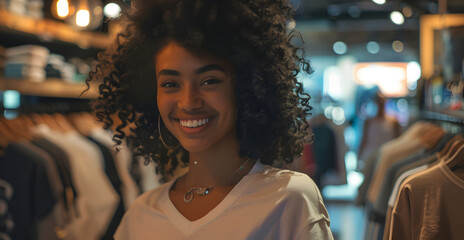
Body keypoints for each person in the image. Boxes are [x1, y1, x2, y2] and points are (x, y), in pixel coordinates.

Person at [88, 0, 333, 239]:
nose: (188, 101)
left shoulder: (289, 199)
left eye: (209, 81)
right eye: (171, 84)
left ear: (247, 86)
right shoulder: (141, 215)